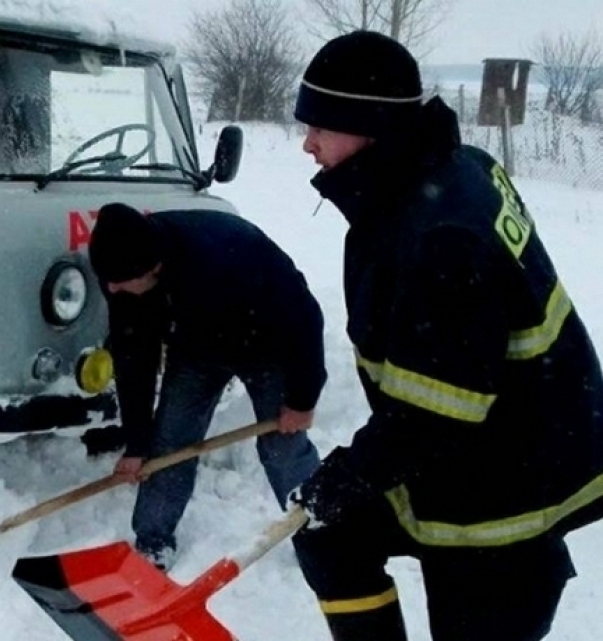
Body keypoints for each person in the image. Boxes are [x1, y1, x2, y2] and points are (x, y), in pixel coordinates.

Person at [285, 29, 603, 641]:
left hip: (507, 480)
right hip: (465, 449)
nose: (308, 144)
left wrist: (352, 473)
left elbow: (437, 413)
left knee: (474, 614)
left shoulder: (440, 234)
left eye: (321, 125)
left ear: (372, 125)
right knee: (329, 533)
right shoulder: (441, 173)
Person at [88, 202, 325, 571]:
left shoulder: (220, 255)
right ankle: (152, 544)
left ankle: (323, 536)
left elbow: (304, 318)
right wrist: (136, 443)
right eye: (108, 279)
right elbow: (134, 355)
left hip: (267, 344)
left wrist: (302, 399)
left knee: (283, 447)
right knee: (170, 445)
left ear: (153, 268)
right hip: (196, 350)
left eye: (120, 280)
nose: (112, 288)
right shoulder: (122, 275)